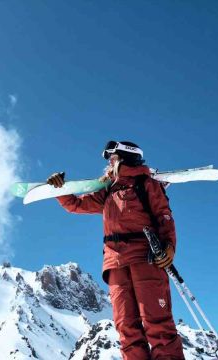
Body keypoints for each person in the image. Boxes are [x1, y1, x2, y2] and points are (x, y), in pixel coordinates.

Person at [47, 141, 185, 360]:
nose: (109, 164)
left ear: (124, 158)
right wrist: (60, 188)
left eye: (112, 158)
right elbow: (77, 204)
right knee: (126, 330)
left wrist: (169, 245)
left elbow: (163, 215)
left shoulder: (146, 184)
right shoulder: (109, 191)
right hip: (114, 264)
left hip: (145, 257)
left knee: (157, 324)